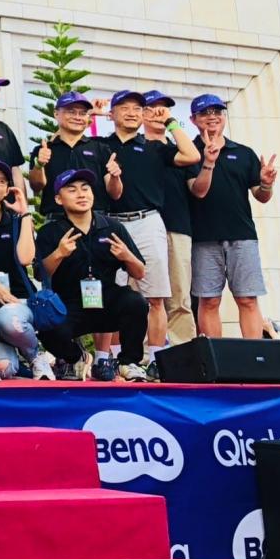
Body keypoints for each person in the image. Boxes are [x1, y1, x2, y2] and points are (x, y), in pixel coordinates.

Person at [100, 89, 198, 366]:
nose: (132, 113)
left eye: (137, 108)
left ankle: (155, 360)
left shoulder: (154, 147)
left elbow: (191, 155)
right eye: (124, 108)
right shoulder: (101, 146)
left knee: (155, 296)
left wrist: (171, 122)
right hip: (112, 223)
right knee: (112, 295)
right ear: (112, 114)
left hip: (148, 221)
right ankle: (115, 359)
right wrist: (94, 113)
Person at [36, 169, 150, 382]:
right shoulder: (50, 232)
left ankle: (128, 363)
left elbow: (139, 272)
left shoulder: (113, 227)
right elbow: (41, 274)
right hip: (69, 303)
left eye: (85, 188)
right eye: (72, 190)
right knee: (46, 324)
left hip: (105, 300)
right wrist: (58, 254)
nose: (81, 194)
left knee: (135, 302)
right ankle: (77, 357)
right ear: (59, 199)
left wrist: (127, 256)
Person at [184, 95, 277, 339]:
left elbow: (261, 196)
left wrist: (266, 184)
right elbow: (198, 190)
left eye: (217, 111)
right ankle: (214, 356)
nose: (212, 117)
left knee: (248, 299)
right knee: (209, 300)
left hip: (242, 236)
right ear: (193, 119)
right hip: (203, 237)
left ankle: (255, 354)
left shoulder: (244, 153)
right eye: (205, 113)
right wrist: (208, 161)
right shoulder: (188, 152)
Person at [0, 160, 52, 380]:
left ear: (7, 189)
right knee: (3, 369)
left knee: (9, 321)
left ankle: (35, 356)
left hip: (17, 301)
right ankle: (15, 362)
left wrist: (25, 214)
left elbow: (25, 258)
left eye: (0, 181)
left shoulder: (16, 221)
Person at [143, 91, 196, 344]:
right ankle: (145, 353)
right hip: (143, 227)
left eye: (163, 108)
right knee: (145, 296)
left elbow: (193, 157)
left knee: (180, 296)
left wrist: (171, 123)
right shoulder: (136, 148)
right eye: (151, 107)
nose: (158, 112)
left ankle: (183, 351)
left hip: (177, 226)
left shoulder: (179, 149)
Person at [27, 92, 110, 217]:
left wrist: (115, 176)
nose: (77, 117)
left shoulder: (100, 147)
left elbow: (115, 192)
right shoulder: (43, 150)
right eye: (71, 112)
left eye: (82, 113)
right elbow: (36, 186)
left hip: (95, 218)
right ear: (56, 114)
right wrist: (39, 165)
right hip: (57, 218)